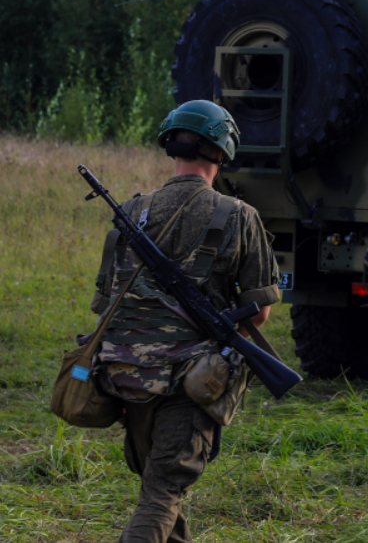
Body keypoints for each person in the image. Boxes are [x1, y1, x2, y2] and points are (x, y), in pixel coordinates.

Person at [91, 101, 280, 543]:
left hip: (125, 375)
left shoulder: (132, 211)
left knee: (160, 488)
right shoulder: (238, 215)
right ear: (223, 149)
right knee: (162, 493)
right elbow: (262, 309)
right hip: (189, 380)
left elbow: (105, 304)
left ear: (171, 143)